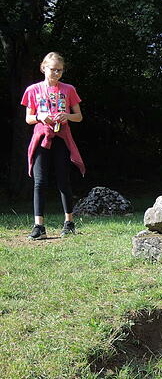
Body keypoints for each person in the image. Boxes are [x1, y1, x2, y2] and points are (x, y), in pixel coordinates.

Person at [20, 52, 84, 240]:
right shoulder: (33, 90)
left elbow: (79, 116)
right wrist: (40, 116)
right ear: (43, 68)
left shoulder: (69, 89)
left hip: (62, 138)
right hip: (42, 138)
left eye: (60, 70)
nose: (56, 73)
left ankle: (69, 223)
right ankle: (39, 226)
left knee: (63, 179)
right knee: (40, 182)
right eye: (53, 69)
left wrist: (67, 116)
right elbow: (28, 118)